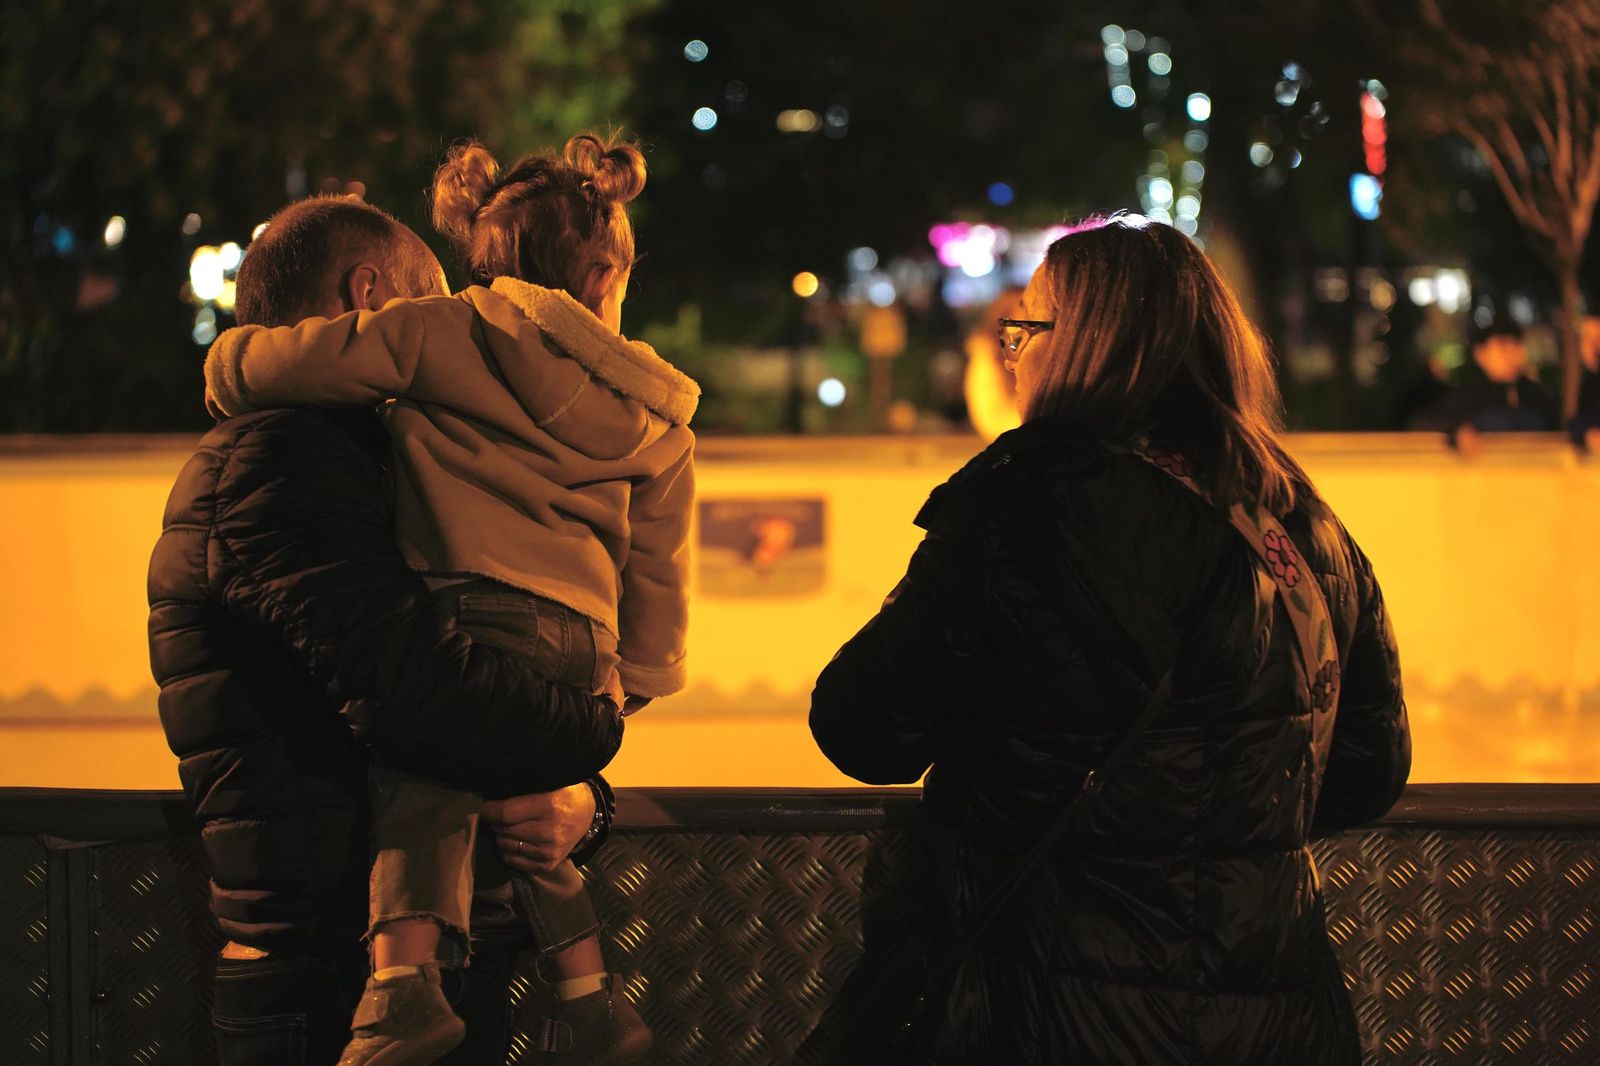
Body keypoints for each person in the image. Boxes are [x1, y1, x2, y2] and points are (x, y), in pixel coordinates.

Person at [810, 216, 1410, 1064]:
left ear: (1087, 345)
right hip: (1274, 1016)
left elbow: (862, 729)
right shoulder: (1301, 527)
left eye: (1024, 329)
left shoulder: (1020, 500)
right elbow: (1365, 774)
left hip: (1045, 1006)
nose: (1012, 355)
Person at [204, 133, 696, 1066]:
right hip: (583, 642)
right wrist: (624, 690)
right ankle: (590, 998)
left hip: (477, 606)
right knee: (528, 817)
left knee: (424, 786)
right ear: (609, 275)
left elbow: (303, 360)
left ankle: (402, 986)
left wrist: (230, 367)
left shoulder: (445, 333)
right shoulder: (659, 413)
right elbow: (660, 572)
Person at [1407, 317, 1555, 440]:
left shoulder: (1536, 395)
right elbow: (1422, 423)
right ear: (1480, 354)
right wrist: (1459, 431)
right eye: (1503, 346)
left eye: (1516, 344)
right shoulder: (1468, 396)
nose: (1512, 353)